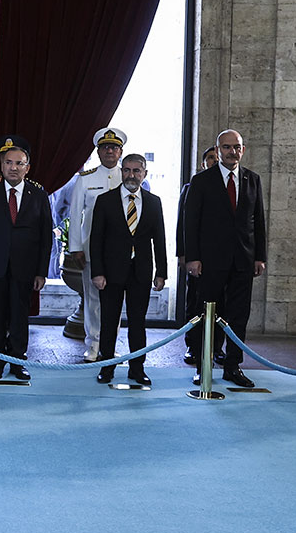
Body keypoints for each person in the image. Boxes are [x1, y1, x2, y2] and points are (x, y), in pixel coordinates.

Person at [183, 129, 266, 388]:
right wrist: (193, 258)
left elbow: (259, 222)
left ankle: (232, 367)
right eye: (227, 147)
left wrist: (259, 257)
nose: (232, 152)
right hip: (210, 262)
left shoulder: (253, 180)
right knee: (206, 314)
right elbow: (191, 223)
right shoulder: (202, 181)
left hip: (243, 260)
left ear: (243, 150)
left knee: (239, 316)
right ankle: (203, 366)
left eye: (236, 147)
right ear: (218, 151)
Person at [0, 136, 52, 380]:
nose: (13, 168)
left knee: (19, 315)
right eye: (9, 163)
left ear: (27, 167)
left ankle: (17, 360)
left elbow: (45, 236)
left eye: (19, 163)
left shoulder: (38, 193)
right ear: (1, 164)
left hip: (25, 267)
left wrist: (41, 271)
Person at [90, 154, 167, 384]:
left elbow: (160, 240)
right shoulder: (105, 201)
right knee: (108, 322)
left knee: (137, 323)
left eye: (136, 171)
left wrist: (161, 273)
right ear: (121, 172)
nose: (131, 175)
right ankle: (107, 368)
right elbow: (96, 240)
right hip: (110, 274)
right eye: (127, 170)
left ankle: (137, 369)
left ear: (144, 174)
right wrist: (97, 272)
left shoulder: (154, 202)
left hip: (140, 273)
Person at [66, 128, 126, 362]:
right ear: (99, 152)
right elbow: (75, 214)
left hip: (121, 252)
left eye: (114, 147)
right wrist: (76, 248)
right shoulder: (86, 179)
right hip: (91, 250)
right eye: (105, 147)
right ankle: (93, 345)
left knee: (115, 301)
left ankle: (110, 344)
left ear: (121, 152)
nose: (109, 151)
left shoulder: (127, 177)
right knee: (92, 300)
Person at [177, 145, 224, 365]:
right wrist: (183, 254)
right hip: (197, 257)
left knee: (221, 305)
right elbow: (183, 224)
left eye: (217, 158)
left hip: (221, 259)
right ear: (203, 164)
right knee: (195, 304)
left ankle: (217, 347)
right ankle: (193, 346)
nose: (214, 162)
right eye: (210, 159)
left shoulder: (229, 187)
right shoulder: (191, 186)